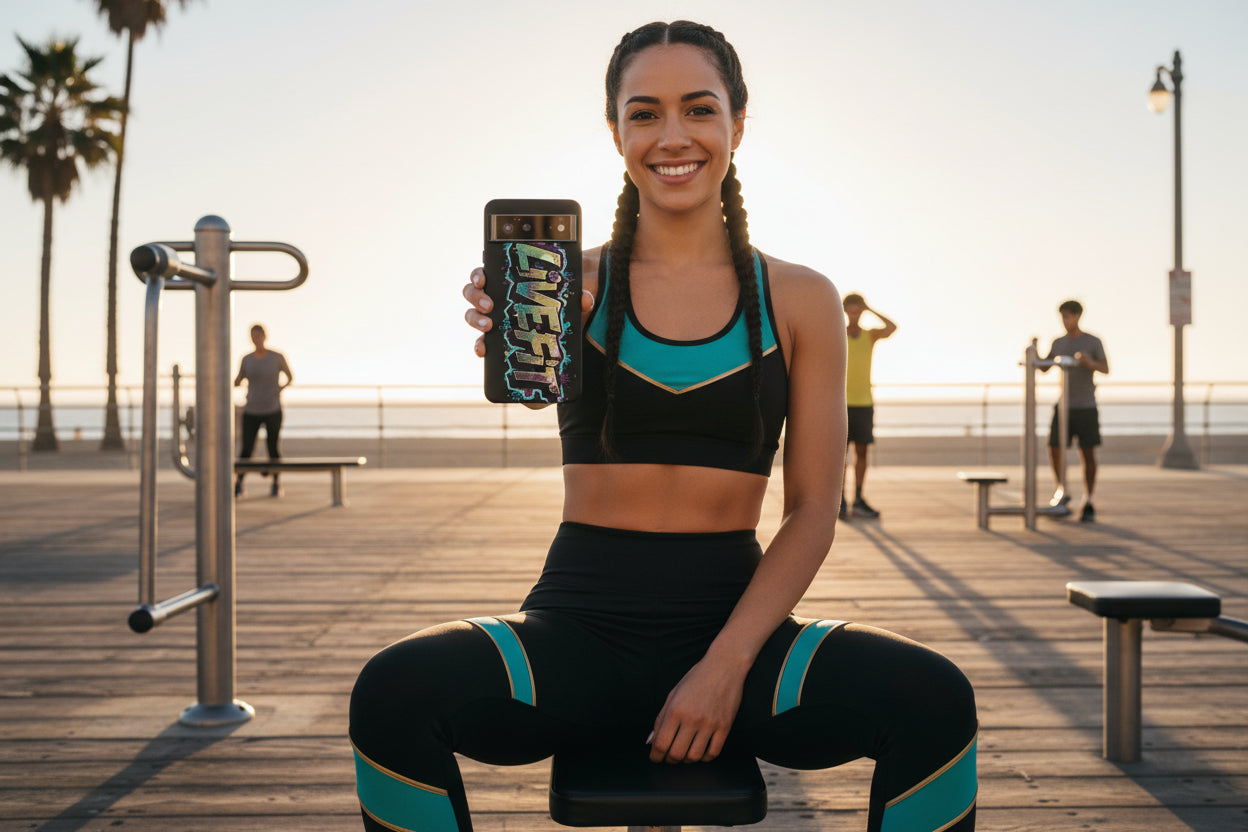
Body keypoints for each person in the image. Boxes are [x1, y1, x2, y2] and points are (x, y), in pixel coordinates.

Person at [350, 21, 977, 832]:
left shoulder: (799, 296)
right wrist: (524, 337)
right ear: (615, 131)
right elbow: (540, 395)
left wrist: (723, 665)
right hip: (578, 629)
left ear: (737, 125)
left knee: (936, 699)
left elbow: (815, 510)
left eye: (699, 109)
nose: (672, 136)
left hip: (738, 630)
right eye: (644, 113)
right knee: (392, 690)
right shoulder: (571, 281)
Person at [1042, 300, 1108, 522]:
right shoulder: (1058, 343)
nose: (1064, 321)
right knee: (1054, 447)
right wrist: (1033, 350)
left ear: (1078, 316)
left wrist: (1089, 362)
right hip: (1064, 406)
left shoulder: (1092, 341)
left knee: (1087, 453)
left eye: (1068, 316)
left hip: (1086, 405)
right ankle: (1062, 490)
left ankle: (1088, 499)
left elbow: (1105, 368)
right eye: (1062, 316)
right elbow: (1044, 367)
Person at [841, 292, 897, 520]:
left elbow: (892, 327)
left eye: (859, 310)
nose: (855, 314)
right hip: (840, 403)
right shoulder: (837, 333)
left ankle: (859, 498)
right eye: (852, 310)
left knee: (862, 453)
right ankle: (841, 501)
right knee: (840, 456)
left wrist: (870, 307)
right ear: (845, 310)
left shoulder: (869, 335)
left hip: (864, 402)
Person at [232, 324, 293, 498]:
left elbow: (290, 377)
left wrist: (280, 389)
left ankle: (276, 483)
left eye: (258, 336)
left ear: (264, 336)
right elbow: (238, 379)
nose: (256, 339)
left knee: (273, 447)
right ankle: (240, 483)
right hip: (251, 409)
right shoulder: (247, 359)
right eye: (253, 336)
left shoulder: (277, 357)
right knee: (246, 448)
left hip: (272, 408)